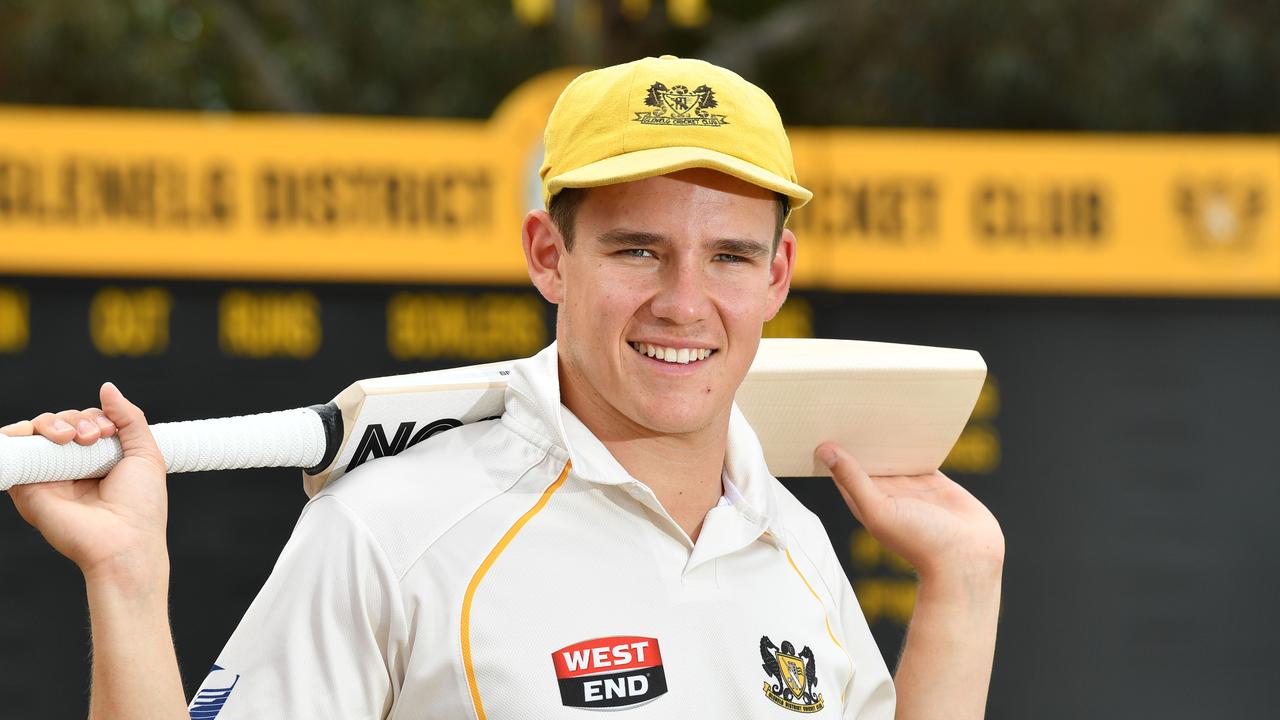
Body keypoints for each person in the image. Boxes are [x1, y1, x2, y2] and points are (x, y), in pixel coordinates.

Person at [3, 56, 1003, 719]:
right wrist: (128, 584)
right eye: (637, 250)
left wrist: (960, 587)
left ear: (777, 277)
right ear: (546, 256)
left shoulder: (794, 549)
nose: (683, 303)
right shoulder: (390, 529)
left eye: (730, 258)